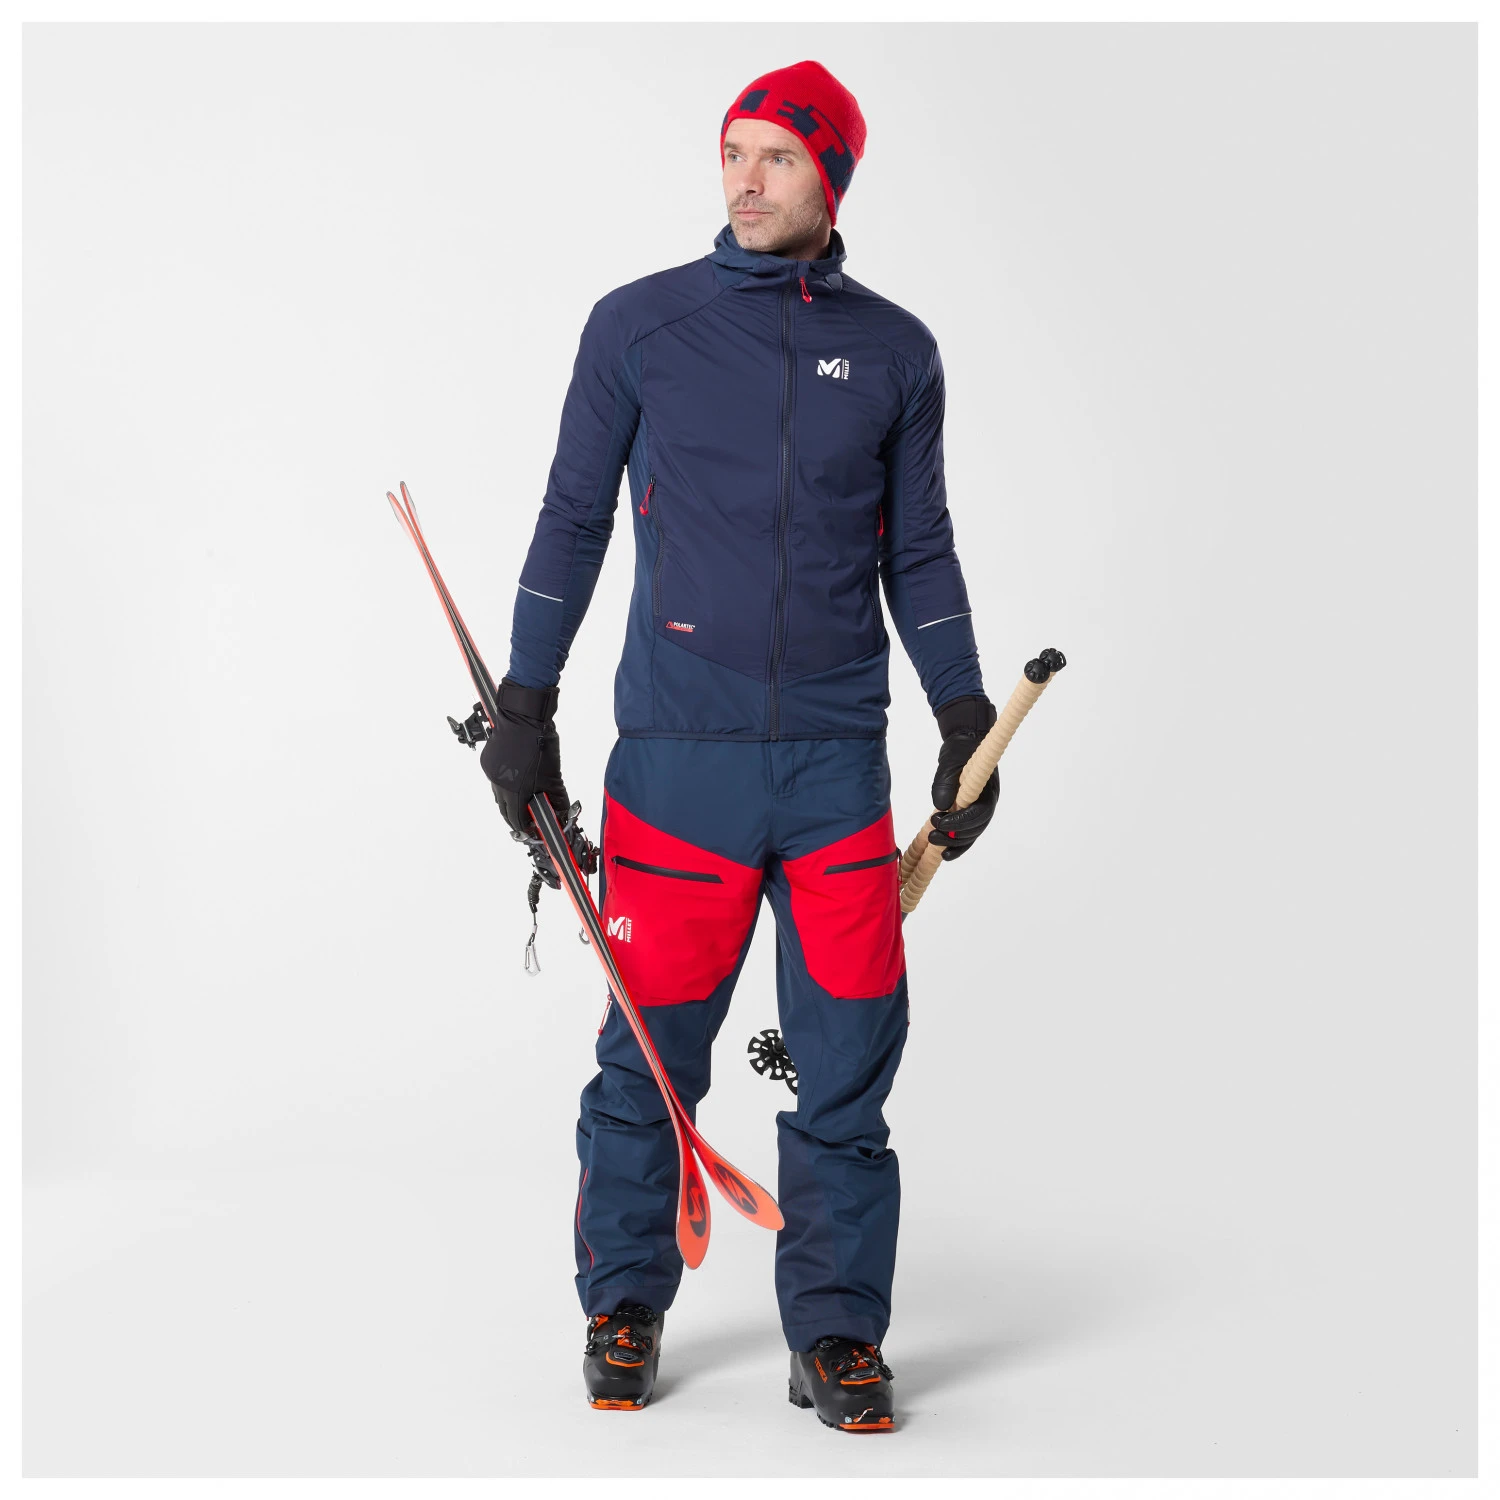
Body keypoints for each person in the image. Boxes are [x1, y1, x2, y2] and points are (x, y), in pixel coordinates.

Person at [479, 59, 999, 1433]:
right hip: (679, 763)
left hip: (835, 768)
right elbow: (572, 519)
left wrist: (963, 715)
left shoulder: (897, 353)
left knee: (848, 1058)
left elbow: (922, 552)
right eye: (733, 151)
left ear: (833, 176)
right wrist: (525, 706)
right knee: (651, 1052)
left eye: (778, 156)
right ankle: (624, 1299)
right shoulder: (640, 327)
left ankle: (836, 1330)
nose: (745, 180)